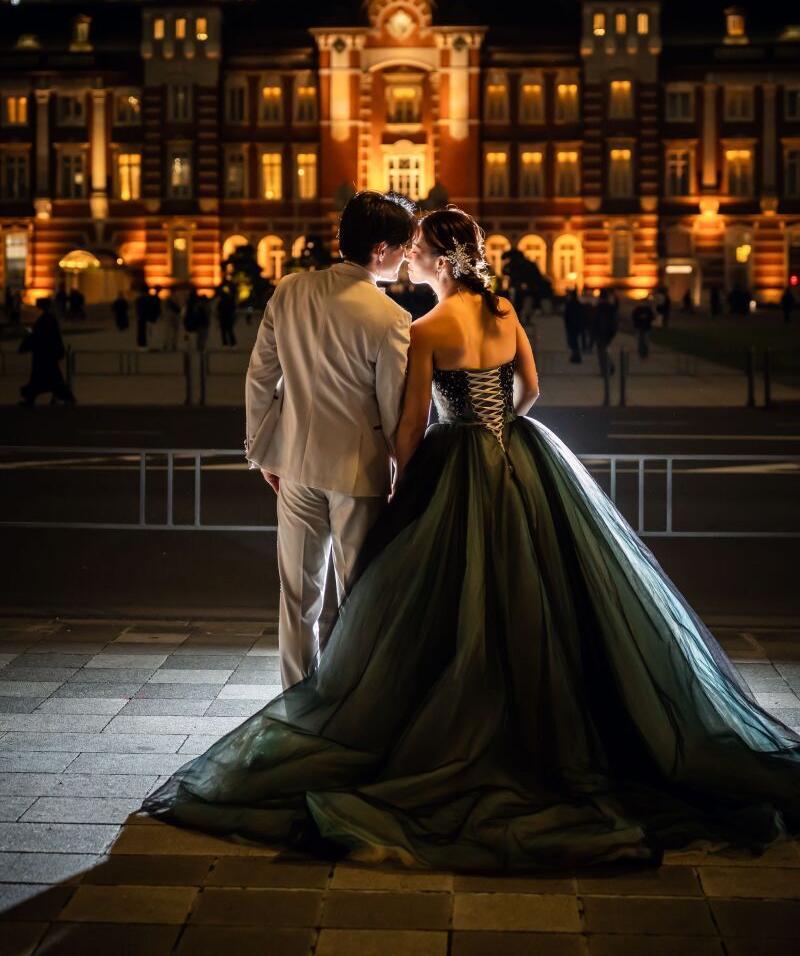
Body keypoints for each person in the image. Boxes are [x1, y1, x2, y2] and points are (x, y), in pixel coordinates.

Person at [143, 204, 800, 871]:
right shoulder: (505, 311)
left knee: (411, 599)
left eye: (420, 249)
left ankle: (362, 708)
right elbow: (532, 388)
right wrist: (498, 429)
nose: (411, 258)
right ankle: (540, 725)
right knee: (537, 592)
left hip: (447, 458)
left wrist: (411, 469)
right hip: (518, 452)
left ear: (438, 258)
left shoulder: (425, 326)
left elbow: (407, 426)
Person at [242, 191, 415, 688]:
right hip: (358, 472)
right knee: (358, 591)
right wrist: (399, 475)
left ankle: (297, 698)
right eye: (403, 247)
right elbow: (392, 408)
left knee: (296, 595)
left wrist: (262, 452)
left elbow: (260, 378)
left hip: (294, 463)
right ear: (381, 250)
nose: (405, 258)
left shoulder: (290, 290)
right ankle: (354, 694)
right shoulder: (389, 319)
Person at [18, 298, 76, 407]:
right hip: (47, 354)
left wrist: (27, 344)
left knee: (47, 379)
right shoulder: (48, 318)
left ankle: (31, 398)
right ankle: (31, 398)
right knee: (49, 379)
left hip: (45, 355)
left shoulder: (46, 319)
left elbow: (40, 336)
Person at [592, 287, 617, 378]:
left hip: (600, 333)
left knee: (601, 352)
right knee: (604, 350)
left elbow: (594, 321)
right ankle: (609, 367)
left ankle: (605, 370)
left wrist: (593, 333)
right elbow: (614, 321)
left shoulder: (598, 307)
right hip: (608, 333)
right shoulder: (610, 307)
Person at [563, 287, 583, 363]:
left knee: (573, 342)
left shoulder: (570, 304)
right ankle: (575, 356)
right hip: (575, 326)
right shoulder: (577, 304)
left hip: (572, 326)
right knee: (574, 342)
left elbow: (567, 316)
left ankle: (576, 357)